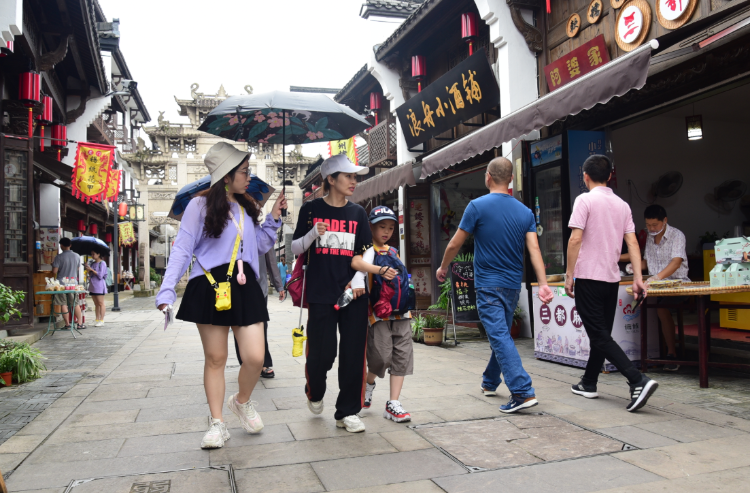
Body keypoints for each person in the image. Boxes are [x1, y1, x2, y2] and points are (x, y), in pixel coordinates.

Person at [156, 142, 286, 449]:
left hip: (245, 285)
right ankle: (217, 423)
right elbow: (183, 248)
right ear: (226, 175)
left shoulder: (246, 207)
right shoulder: (198, 206)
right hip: (210, 284)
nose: (248, 177)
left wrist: (273, 218)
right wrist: (167, 290)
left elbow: (259, 246)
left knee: (255, 357)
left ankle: (241, 401)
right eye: (244, 172)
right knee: (216, 358)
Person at [436, 157, 554, 413]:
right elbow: (534, 250)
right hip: (512, 286)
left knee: (499, 336)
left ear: (488, 177)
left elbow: (455, 243)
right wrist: (543, 284)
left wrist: (443, 267)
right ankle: (490, 381)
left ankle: (522, 391)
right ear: (510, 179)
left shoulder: (476, 206)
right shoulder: (525, 212)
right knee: (501, 335)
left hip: (488, 286)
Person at [291, 154, 396, 433]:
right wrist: (313, 234)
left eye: (354, 177)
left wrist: (358, 280)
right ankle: (315, 390)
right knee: (321, 355)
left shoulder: (358, 213)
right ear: (331, 179)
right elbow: (295, 248)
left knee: (353, 355)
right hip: (321, 292)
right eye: (348, 176)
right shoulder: (311, 209)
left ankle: (347, 411)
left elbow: (365, 252)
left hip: (354, 294)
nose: (353, 181)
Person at [565, 155, 657, 412]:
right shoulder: (622, 205)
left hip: (588, 278)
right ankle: (588, 382)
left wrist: (569, 274)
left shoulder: (584, 200)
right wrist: (638, 279)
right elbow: (633, 243)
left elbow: (575, 240)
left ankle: (637, 380)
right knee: (601, 333)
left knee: (599, 334)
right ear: (609, 176)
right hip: (611, 280)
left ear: (585, 176)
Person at [357, 206, 414, 423]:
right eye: (382, 227)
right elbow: (359, 274)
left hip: (401, 313)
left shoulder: (393, 251)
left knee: (401, 356)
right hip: (378, 315)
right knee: (380, 357)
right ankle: (369, 383)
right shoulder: (366, 251)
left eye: (390, 228)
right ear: (370, 227)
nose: (387, 232)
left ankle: (393, 403)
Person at [622, 205, 689, 371]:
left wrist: (657, 277)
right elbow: (647, 262)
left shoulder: (677, 235)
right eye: (648, 225)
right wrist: (632, 266)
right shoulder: (650, 238)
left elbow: (676, 262)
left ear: (665, 221)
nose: (651, 229)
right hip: (655, 286)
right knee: (638, 304)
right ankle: (647, 353)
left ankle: (672, 354)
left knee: (660, 308)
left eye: (654, 225)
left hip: (678, 284)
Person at [233, 248, 286, 379]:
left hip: (258, 286)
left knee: (261, 325)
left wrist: (279, 285)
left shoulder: (261, 235)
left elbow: (271, 261)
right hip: (235, 285)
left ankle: (264, 362)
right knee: (238, 324)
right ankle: (245, 361)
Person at [51, 237, 84, 330]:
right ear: (70, 245)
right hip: (73, 283)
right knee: (75, 303)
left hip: (61, 284)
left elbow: (54, 271)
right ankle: (80, 324)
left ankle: (67, 325)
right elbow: (77, 268)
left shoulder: (59, 257)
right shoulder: (77, 256)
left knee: (63, 303)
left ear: (61, 245)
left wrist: (53, 265)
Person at [85, 251, 108, 327]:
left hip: (99, 285)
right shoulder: (92, 263)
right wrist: (88, 269)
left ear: (98, 254)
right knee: (96, 304)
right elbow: (91, 275)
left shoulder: (102, 263)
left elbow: (100, 276)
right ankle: (97, 319)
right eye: (91, 254)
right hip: (92, 284)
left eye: (94, 254)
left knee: (101, 303)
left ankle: (101, 319)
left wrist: (92, 270)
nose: (92, 255)